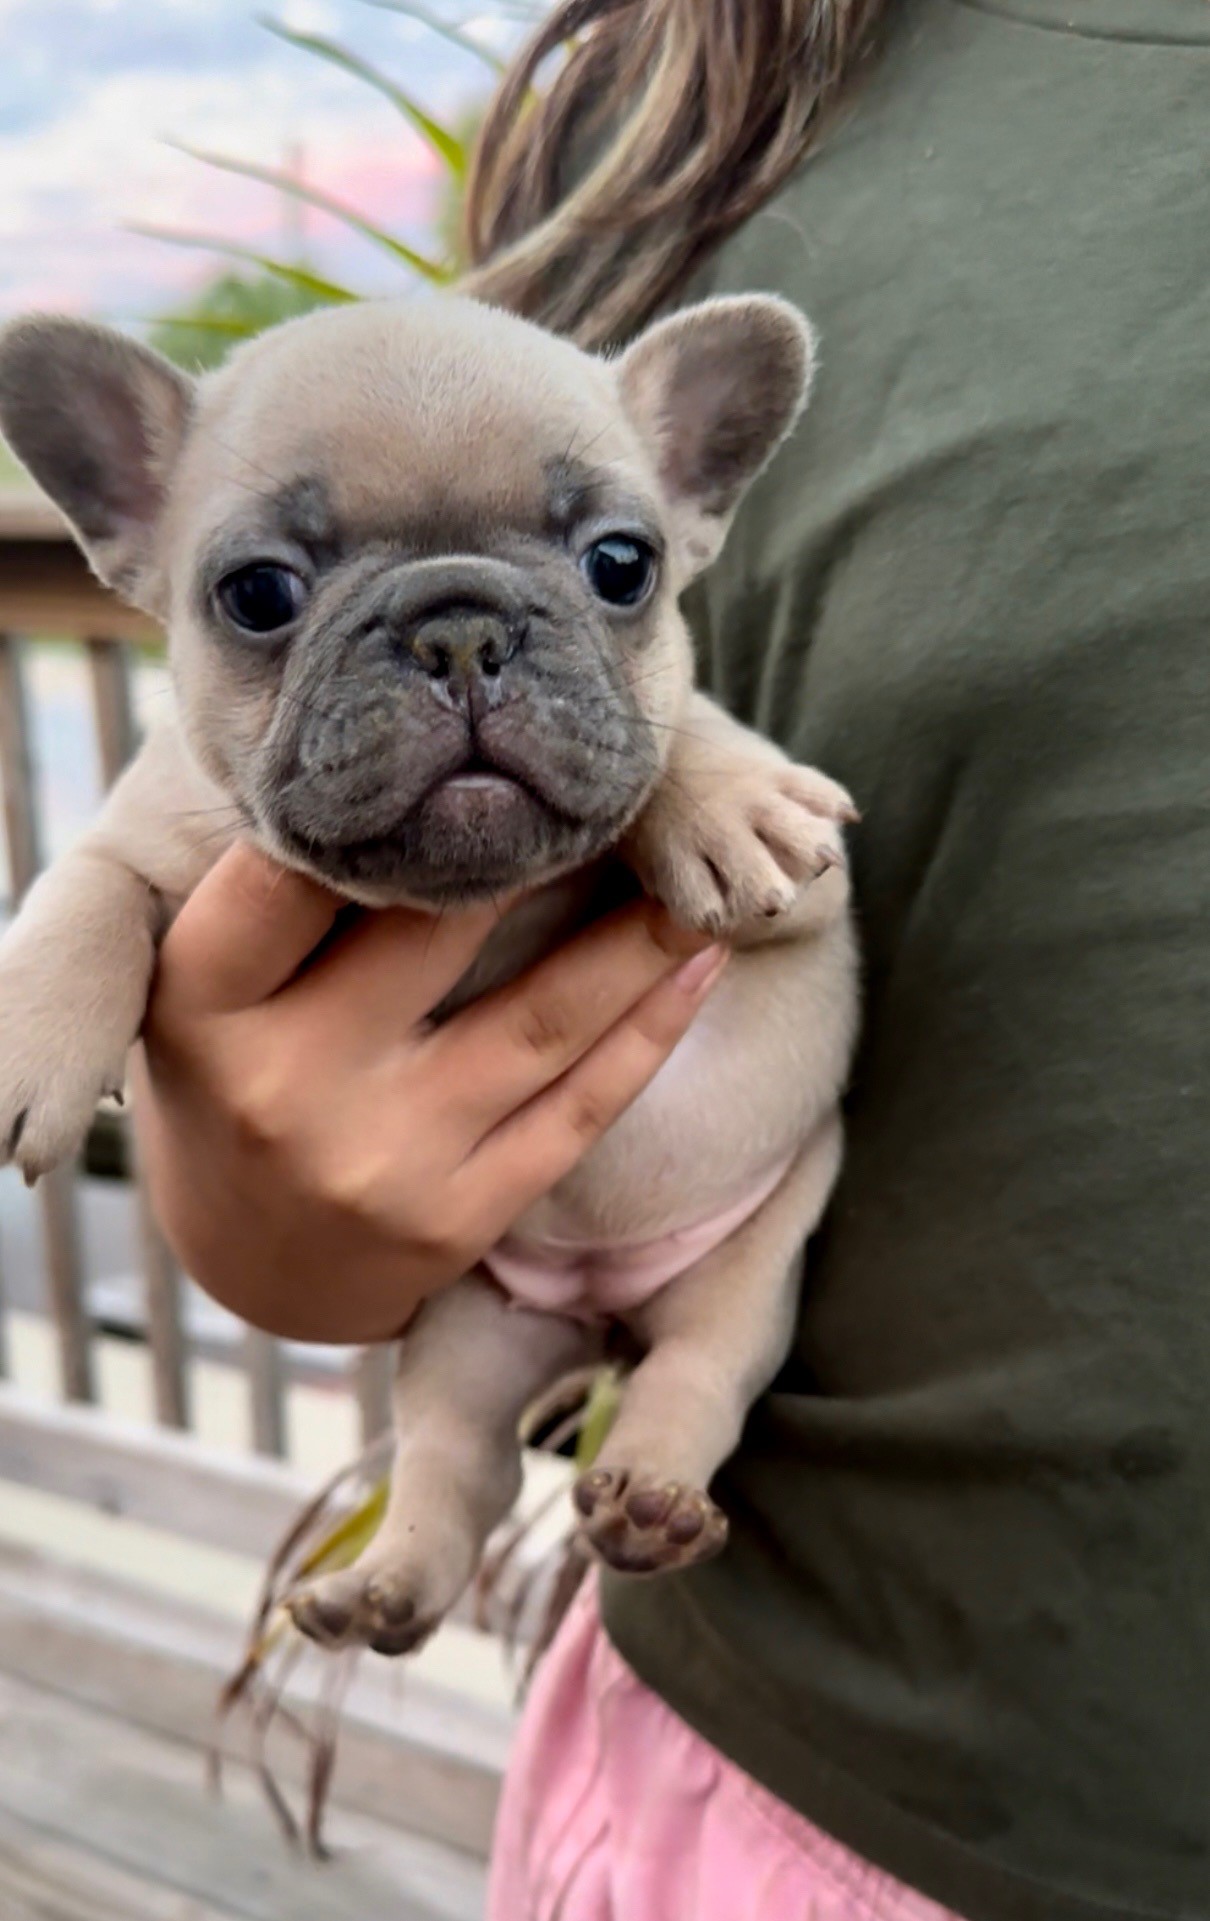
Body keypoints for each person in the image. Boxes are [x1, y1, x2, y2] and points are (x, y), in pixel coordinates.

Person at [134, 2, 1210, 1917]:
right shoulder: (694, 111)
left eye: (606, 567)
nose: (464, 652)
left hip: (923, 1671)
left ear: (684, 505)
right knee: (462, 1399)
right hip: (779, 1731)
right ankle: (440, 1515)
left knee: (700, 1343)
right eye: (274, 595)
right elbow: (245, 1111)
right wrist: (246, 1197)